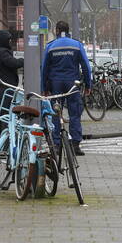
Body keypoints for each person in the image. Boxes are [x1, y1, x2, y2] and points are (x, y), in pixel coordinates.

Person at [41, 21, 93, 156]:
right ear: (68, 30)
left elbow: (44, 69)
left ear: (57, 30)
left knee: (56, 114)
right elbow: (86, 67)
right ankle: (75, 145)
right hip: (72, 84)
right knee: (75, 113)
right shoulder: (77, 45)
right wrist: (88, 85)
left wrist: (44, 88)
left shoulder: (50, 46)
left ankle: (56, 145)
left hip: (56, 83)